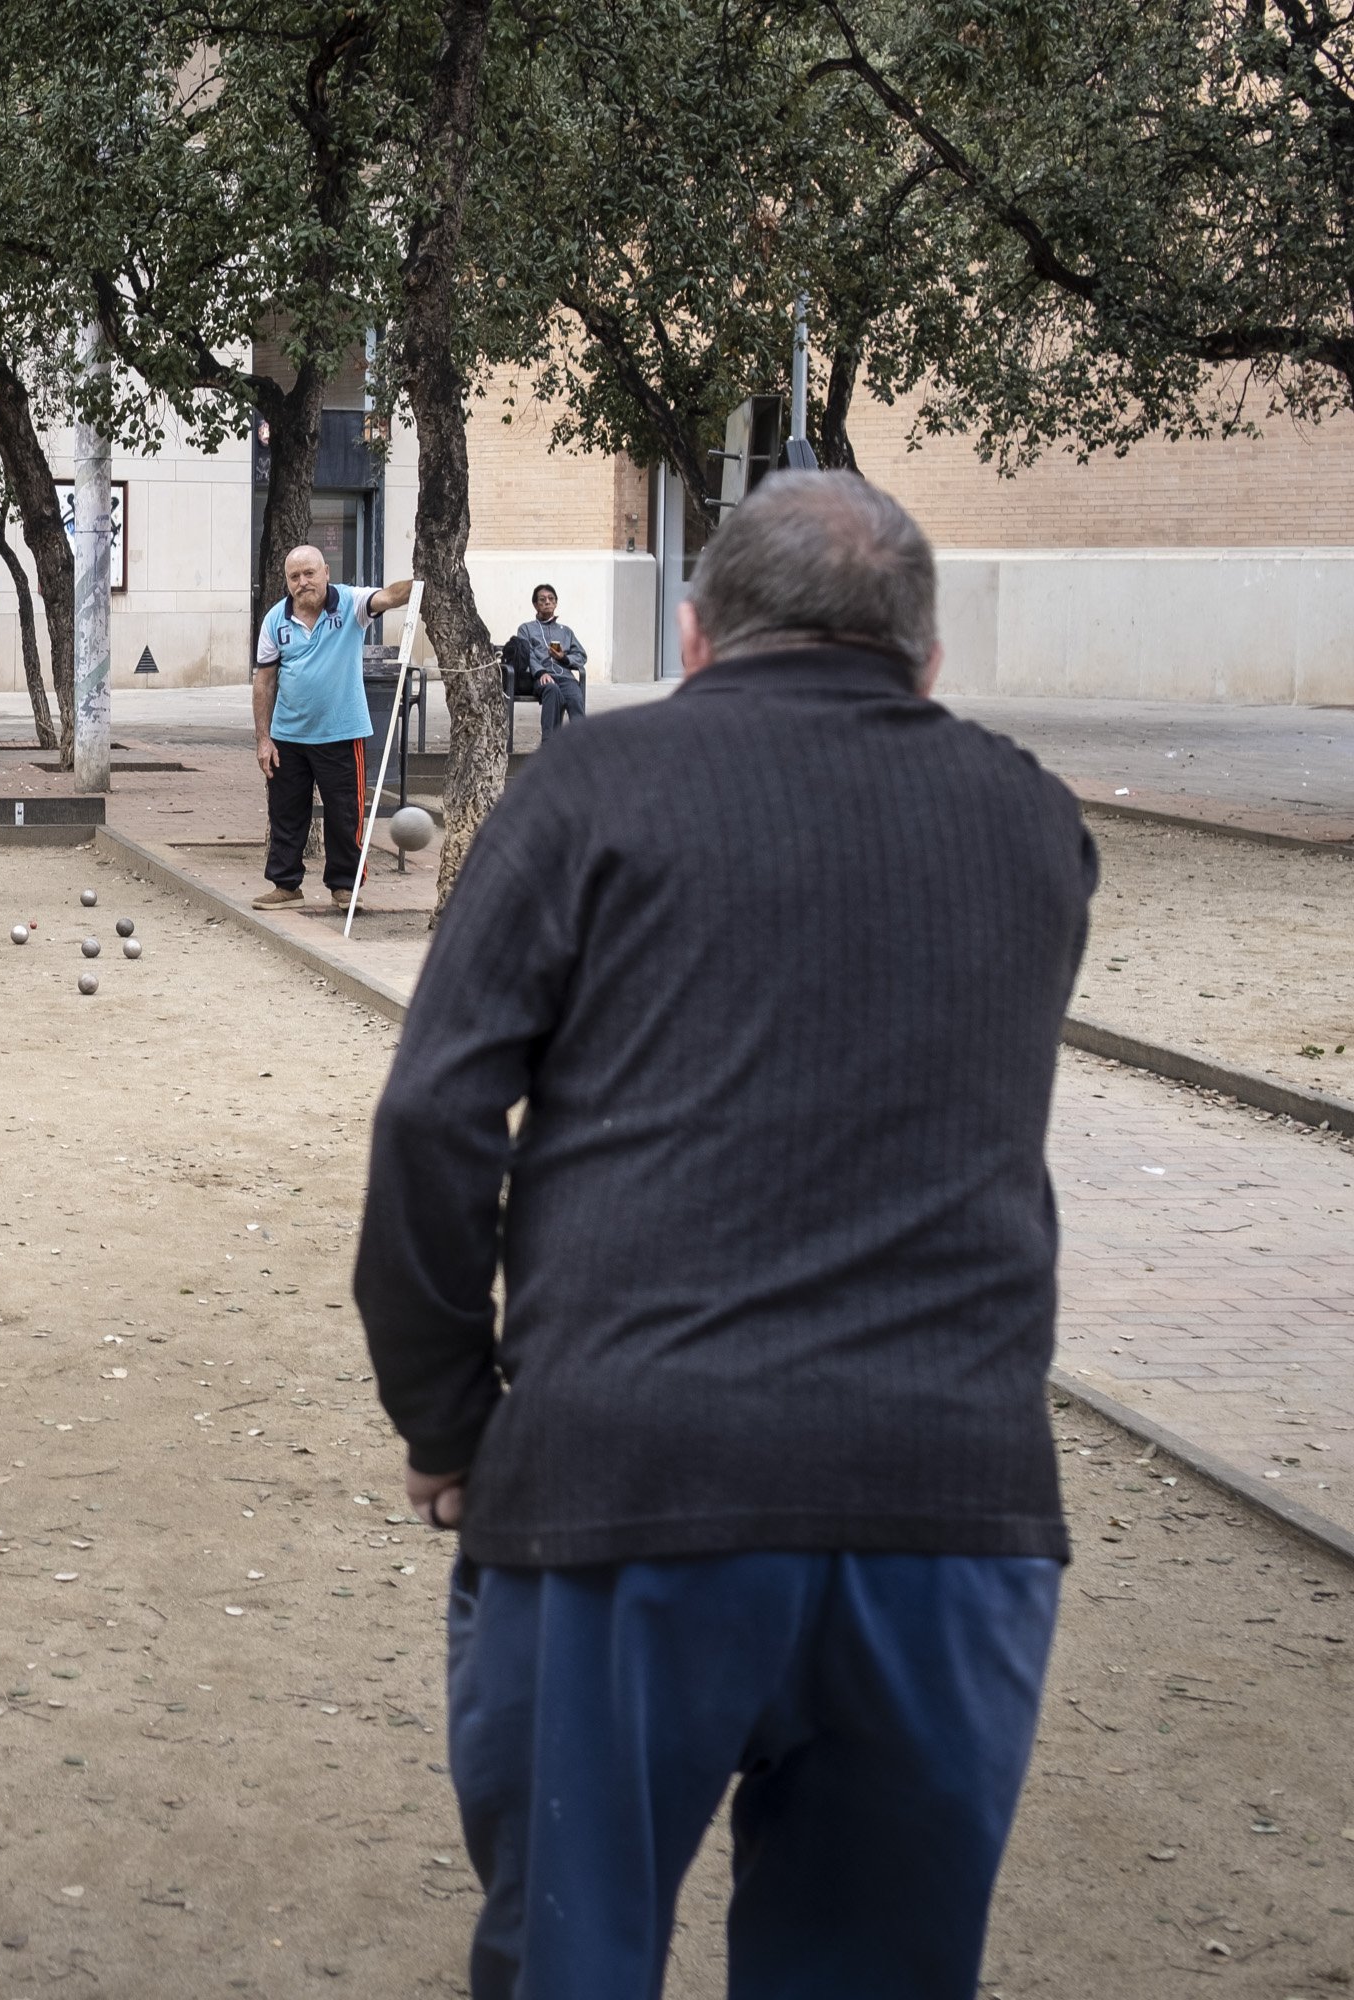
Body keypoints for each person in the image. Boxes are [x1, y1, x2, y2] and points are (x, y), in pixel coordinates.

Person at [353, 472, 1095, 2000]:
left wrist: (447, 1418)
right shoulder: (1033, 821)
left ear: (695, 637)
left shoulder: (587, 795)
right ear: (928, 658)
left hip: (630, 1477)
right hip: (948, 1496)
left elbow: (435, 1121)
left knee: (576, 1953)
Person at [251, 545, 412, 912]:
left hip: (340, 732)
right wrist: (264, 739)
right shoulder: (276, 619)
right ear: (287, 581)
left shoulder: (351, 604)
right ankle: (286, 885)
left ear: (326, 571)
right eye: (295, 577)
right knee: (286, 813)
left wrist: (418, 584)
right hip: (288, 735)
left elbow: (387, 597)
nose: (303, 582)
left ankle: (345, 885)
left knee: (344, 814)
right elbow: (264, 683)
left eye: (309, 573)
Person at [509, 582, 587, 736]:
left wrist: (564, 658)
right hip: (540, 677)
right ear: (535, 605)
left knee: (575, 696)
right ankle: (549, 746)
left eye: (551, 599)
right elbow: (528, 654)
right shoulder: (526, 629)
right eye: (542, 599)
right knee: (552, 690)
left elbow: (581, 655)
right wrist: (541, 672)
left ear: (556, 603)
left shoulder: (565, 631)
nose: (547, 602)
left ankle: (581, 745)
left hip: (564, 676)